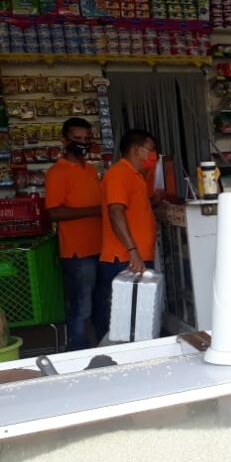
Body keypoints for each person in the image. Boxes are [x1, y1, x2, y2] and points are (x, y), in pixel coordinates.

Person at [44, 117, 103, 350]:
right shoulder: (57, 172)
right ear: (64, 140)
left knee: (101, 305)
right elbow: (55, 213)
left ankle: (104, 351)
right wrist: (94, 211)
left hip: (101, 247)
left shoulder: (90, 169)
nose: (83, 143)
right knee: (81, 308)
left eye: (87, 139)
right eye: (77, 139)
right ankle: (77, 354)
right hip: (77, 252)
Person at [97, 129, 159, 338]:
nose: (154, 156)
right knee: (122, 322)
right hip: (124, 259)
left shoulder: (136, 176)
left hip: (136, 258)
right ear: (136, 150)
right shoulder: (118, 173)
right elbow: (115, 212)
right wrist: (132, 250)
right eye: (150, 151)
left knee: (137, 319)